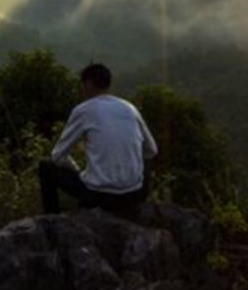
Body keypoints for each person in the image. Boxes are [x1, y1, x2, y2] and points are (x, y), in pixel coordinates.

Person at [38, 62, 158, 215]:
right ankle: (138, 205)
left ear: (88, 84)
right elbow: (152, 150)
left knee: (46, 167)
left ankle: (52, 220)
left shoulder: (84, 110)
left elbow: (58, 156)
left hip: (100, 197)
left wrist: (77, 170)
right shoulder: (129, 108)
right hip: (133, 195)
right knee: (146, 162)